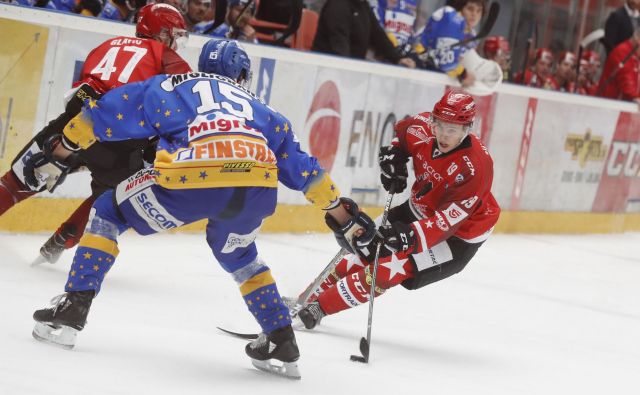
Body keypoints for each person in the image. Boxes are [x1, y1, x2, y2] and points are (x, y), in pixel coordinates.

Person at [30, 42, 376, 380]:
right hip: (256, 186)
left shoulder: (175, 84)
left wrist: (67, 143)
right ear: (242, 75)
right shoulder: (263, 109)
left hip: (192, 175)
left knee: (108, 210)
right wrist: (341, 214)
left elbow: (113, 111)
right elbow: (303, 169)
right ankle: (280, 338)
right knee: (241, 254)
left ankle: (74, 305)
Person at [0, 3, 192, 264]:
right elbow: (187, 96)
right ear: (161, 32)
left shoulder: (106, 45)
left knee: (16, 182)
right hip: (120, 142)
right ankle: (57, 244)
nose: (175, 42)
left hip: (74, 121)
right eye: (174, 34)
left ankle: (59, 165)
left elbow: (78, 94)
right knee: (108, 201)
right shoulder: (164, 55)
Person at [296, 90, 500, 330]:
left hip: (459, 235)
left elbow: (444, 224)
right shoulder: (423, 127)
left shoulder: (476, 168)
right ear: (433, 120)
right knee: (365, 246)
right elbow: (402, 137)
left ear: (467, 129)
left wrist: (406, 238)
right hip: (420, 207)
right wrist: (395, 157)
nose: (444, 135)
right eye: (440, 125)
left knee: (389, 267)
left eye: (452, 130)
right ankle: (306, 299)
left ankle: (319, 308)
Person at [312, 0, 415, 68]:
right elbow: (340, 48)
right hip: (328, 71)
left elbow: (377, 35)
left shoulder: (362, 4)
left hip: (353, 70)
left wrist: (398, 58)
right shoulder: (338, 6)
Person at [413, 0, 486, 87]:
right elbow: (445, 62)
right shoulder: (449, 17)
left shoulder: (472, 36)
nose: (474, 14)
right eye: (470, 9)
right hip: (415, 66)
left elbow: (455, 62)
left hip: (432, 73)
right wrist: (463, 74)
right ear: (460, 8)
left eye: (479, 11)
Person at [598, 27, 640, 105]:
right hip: (610, 105)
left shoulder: (634, 54)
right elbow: (627, 87)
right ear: (638, 40)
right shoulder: (623, 52)